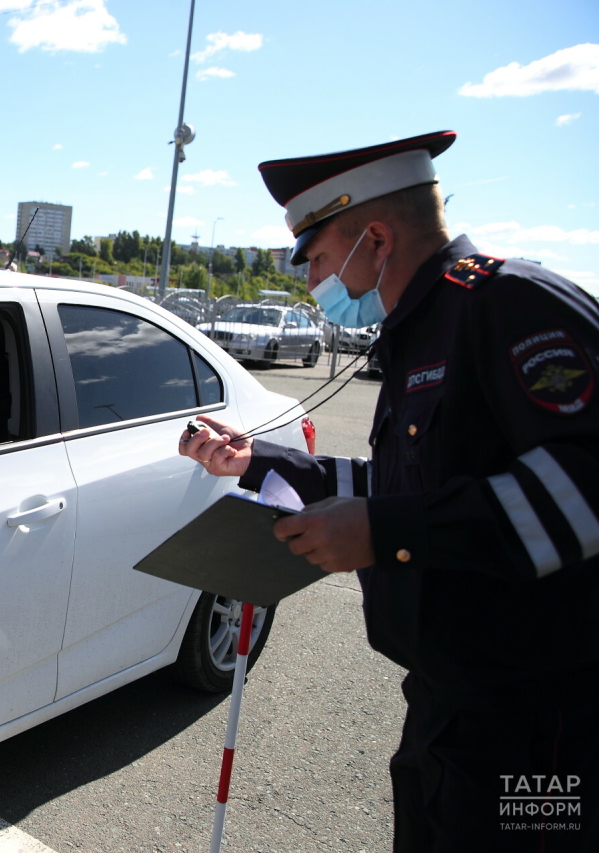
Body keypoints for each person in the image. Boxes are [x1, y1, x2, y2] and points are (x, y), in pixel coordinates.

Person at [180, 130, 598, 851]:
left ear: (373, 238)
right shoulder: (425, 328)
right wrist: (257, 462)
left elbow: (586, 492)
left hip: (538, 725)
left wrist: (388, 530)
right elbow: (403, 487)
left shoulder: (507, 306)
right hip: (448, 709)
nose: (311, 282)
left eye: (314, 259)